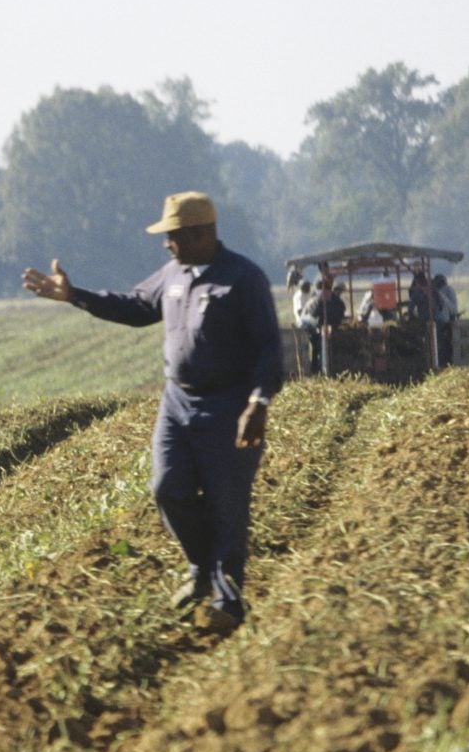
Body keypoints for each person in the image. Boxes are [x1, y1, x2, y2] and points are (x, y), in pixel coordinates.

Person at [22, 192, 282, 629]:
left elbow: (269, 349)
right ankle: (202, 571)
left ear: (201, 234)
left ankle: (228, 602)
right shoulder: (173, 274)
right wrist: (75, 296)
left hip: (229, 405)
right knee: (167, 488)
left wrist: (259, 402)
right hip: (177, 402)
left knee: (227, 506)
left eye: (173, 235)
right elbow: (136, 307)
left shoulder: (243, 279)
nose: (166, 244)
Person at [432, 273, 459, 368]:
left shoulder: (441, 291)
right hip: (451, 318)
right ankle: (448, 361)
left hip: (444, 320)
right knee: (449, 342)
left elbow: (444, 306)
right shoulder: (450, 289)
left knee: (442, 343)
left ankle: (443, 362)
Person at [292, 280, 319, 373]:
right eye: (307, 287)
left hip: (310, 321)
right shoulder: (299, 296)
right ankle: (309, 367)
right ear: (302, 288)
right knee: (311, 343)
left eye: (309, 287)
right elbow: (300, 312)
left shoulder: (308, 294)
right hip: (303, 323)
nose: (308, 289)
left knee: (316, 344)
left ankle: (314, 365)